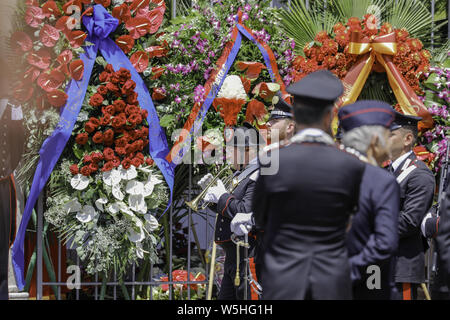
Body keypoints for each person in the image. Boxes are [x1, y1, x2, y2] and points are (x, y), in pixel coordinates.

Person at [252, 70, 366, 300]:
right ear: (328, 116)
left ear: (296, 119)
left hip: (284, 279)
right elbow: (355, 222)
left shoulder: (274, 161)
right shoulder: (351, 164)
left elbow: (260, 216)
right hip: (331, 280)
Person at [338, 100, 400, 300]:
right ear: (374, 141)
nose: (391, 143)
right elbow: (384, 242)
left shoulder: (323, 173)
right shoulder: (381, 180)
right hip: (369, 288)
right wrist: (348, 270)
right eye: (388, 136)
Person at [202, 122, 262, 300]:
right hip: (232, 255)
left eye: (230, 150)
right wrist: (213, 200)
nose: (227, 155)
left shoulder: (258, 174)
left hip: (247, 254)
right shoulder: (241, 174)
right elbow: (230, 209)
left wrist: (221, 197)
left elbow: (244, 211)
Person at [387, 110, 435, 300]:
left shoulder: (419, 175)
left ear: (407, 139)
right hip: (378, 264)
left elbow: (409, 221)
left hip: (401, 266)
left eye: (390, 134)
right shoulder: (388, 170)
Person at [0, 57, 25, 300]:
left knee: (1, 246)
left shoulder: (13, 108)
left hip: (1, 186)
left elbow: (19, 146)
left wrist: (6, 167)